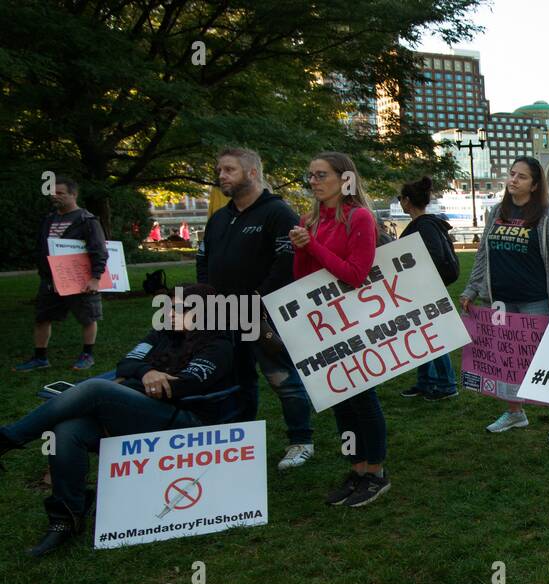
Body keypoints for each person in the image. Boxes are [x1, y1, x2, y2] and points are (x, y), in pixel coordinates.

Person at [0, 284, 237, 557]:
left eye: (181, 308)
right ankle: (65, 518)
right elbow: (126, 363)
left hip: (189, 423)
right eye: (169, 307)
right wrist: (147, 372)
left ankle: (9, 437)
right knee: (66, 430)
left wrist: (139, 379)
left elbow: (181, 387)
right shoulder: (162, 334)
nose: (171, 313)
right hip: (145, 409)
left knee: (96, 390)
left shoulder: (218, 346)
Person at [197, 147, 315, 471]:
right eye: (220, 170)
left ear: (252, 173)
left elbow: (286, 264)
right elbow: (203, 261)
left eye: (229, 170)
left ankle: (301, 441)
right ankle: (241, 440)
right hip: (223, 313)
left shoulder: (278, 213)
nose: (221, 176)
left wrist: (256, 304)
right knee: (235, 377)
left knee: (283, 378)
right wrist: (207, 295)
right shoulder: (220, 218)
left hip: (263, 315)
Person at [290, 152, 390, 507]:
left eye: (321, 175)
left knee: (362, 398)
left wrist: (312, 245)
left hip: (354, 318)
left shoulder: (359, 218)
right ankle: (357, 467)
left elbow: (355, 274)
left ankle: (376, 473)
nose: (314, 182)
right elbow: (302, 277)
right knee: (339, 400)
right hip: (323, 323)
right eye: (311, 176)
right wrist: (303, 246)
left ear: (343, 179)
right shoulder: (311, 220)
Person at [459, 156, 549, 443]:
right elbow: (483, 253)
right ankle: (515, 412)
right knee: (506, 358)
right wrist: (472, 289)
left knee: (545, 361)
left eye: (521, 177)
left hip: (535, 301)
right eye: (511, 174)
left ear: (534, 185)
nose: (513, 180)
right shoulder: (497, 211)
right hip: (501, 300)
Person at [18, 177, 107, 373]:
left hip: (78, 278)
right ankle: (40, 357)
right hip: (50, 280)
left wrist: (95, 277)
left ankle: (87, 355)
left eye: (60, 193)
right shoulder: (49, 219)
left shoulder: (86, 220)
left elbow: (99, 250)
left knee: (87, 318)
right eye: (53, 193)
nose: (55, 196)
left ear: (73, 195)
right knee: (42, 318)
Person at [396, 176, 462, 402]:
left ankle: (446, 383)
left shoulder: (424, 225)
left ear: (407, 201)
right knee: (422, 335)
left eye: (400, 198)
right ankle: (426, 382)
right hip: (423, 288)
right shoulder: (425, 224)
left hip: (425, 288)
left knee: (433, 336)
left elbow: (435, 255)